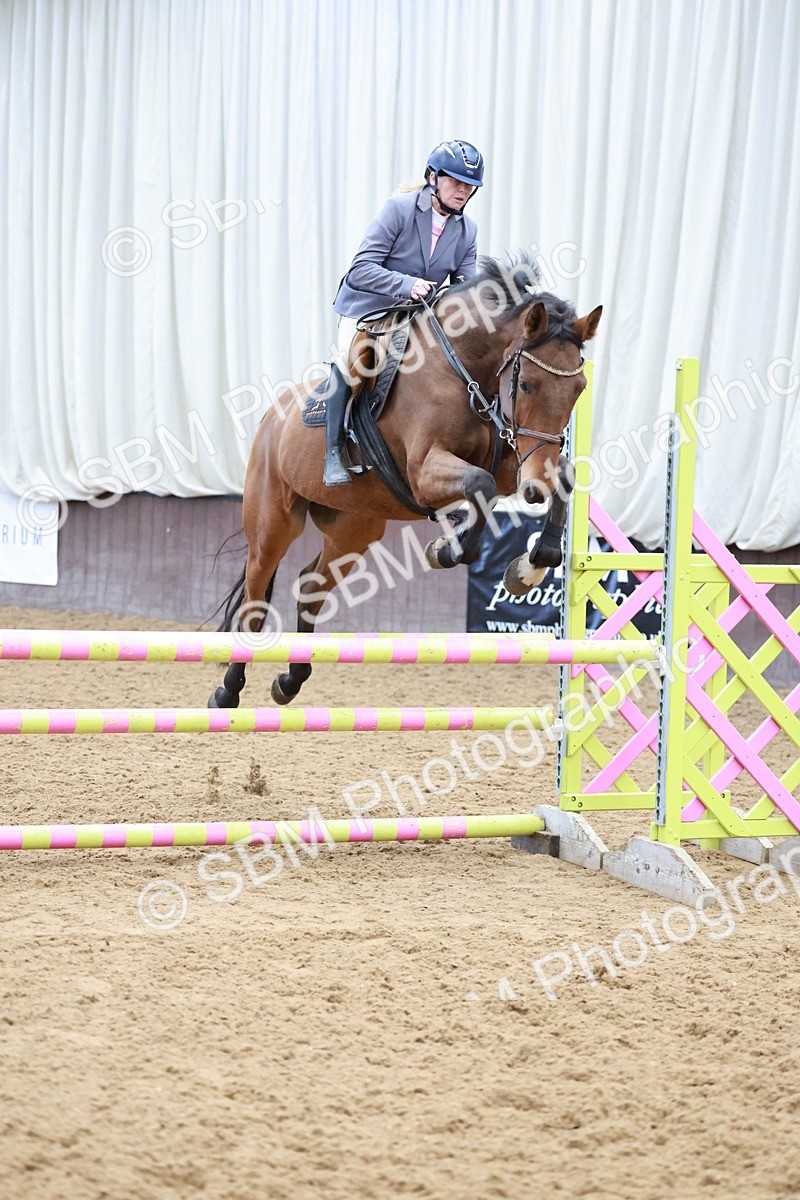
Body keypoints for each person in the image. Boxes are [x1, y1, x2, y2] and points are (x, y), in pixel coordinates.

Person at [323, 139, 485, 485]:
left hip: (415, 315)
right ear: (433, 178)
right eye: (455, 182)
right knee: (349, 361)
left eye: (469, 185)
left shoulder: (467, 230)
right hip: (368, 307)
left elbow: (464, 289)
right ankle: (333, 451)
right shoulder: (399, 210)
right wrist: (408, 284)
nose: (463, 190)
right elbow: (360, 269)